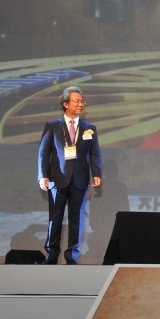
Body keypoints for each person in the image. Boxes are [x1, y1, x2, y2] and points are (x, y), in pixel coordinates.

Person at [37, 86, 102, 265]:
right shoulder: (52, 126)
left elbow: (95, 153)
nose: (81, 104)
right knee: (55, 217)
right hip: (57, 179)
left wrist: (96, 172)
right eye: (77, 101)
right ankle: (51, 254)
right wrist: (42, 175)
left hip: (79, 179)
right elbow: (44, 153)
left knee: (77, 219)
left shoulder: (90, 128)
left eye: (82, 101)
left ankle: (72, 255)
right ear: (66, 104)